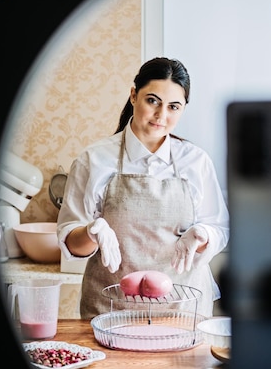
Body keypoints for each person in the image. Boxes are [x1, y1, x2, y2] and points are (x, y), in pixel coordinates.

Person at [57, 57, 229, 319]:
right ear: (134, 95)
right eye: (152, 101)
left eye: (174, 107)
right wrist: (93, 231)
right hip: (110, 310)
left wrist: (203, 235)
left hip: (183, 311)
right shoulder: (93, 160)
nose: (162, 115)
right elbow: (71, 242)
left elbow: (220, 228)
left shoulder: (196, 161)